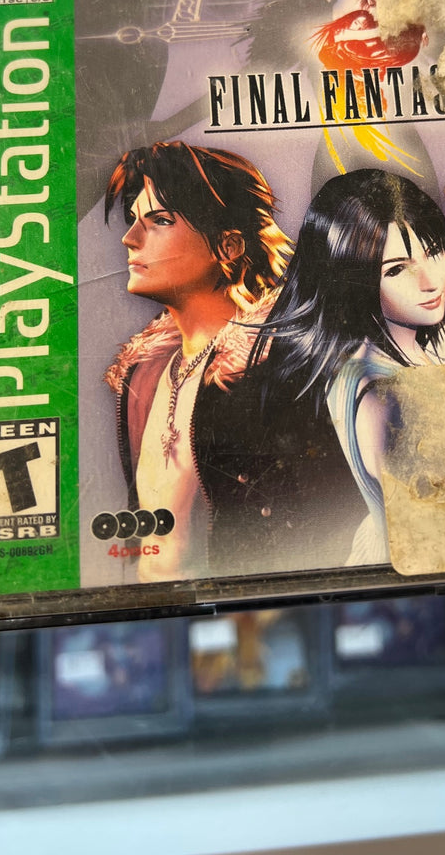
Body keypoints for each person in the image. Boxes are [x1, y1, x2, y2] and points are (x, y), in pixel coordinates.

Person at [103, 141, 297, 581]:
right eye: (133, 219)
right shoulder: (143, 375)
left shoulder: (276, 373)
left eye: (160, 221)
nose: (130, 238)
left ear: (228, 246)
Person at [251, 169, 445, 565]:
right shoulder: (388, 392)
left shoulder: (364, 365)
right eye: (396, 269)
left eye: (433, 251)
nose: (430, 281)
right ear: (352, 282)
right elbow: (434, 529)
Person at [246, 0, 437, 196]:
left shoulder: (412, 13)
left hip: (405, 153)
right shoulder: (300, 23)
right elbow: (244, 83)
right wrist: (176, 124)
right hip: (338, 158)